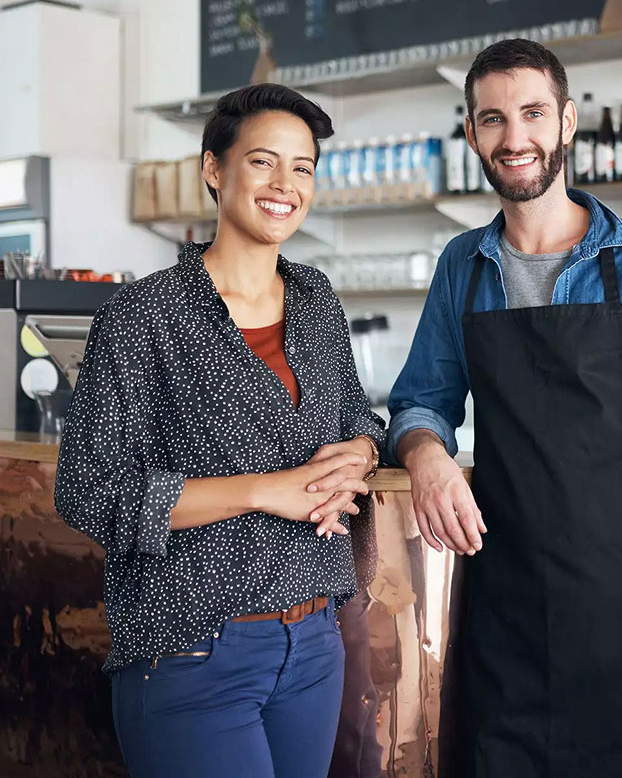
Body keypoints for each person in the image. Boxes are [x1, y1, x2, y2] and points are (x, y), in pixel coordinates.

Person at [388, 39, 622, 776]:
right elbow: (421, 401)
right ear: (472, 134)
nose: (514, 138)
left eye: (532, 113)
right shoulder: (463, 267)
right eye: (493, 119)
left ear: (568, 121)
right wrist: (426, 457)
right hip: (509, 631)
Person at [54, 83, 385, 778]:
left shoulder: (317, 300)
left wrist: (359, 451)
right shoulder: (143, 316)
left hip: (315, 643)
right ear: (214, 168)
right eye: (263, 161)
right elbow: (89, 492)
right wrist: (265, 489)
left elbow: (358, 414)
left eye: (302, 168)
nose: (285, 185)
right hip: (194, 651)